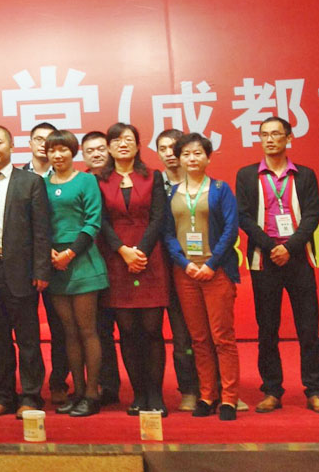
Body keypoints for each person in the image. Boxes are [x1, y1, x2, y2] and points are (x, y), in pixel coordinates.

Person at [235, 117, 319, 415]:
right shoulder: (247, 175)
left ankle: (314, 391)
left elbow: (312, 215)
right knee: (267, 329)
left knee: (308, 328)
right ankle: (272, 391)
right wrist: (270, 246)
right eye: (264, 134)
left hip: (298, 258)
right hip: (264, 259)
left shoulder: (305, 174)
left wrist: (289, 248)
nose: (269, 139)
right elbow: (244, 216)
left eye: (276, 134)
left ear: (289, 138)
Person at [0, 125, 51, 419]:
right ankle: (3, 396)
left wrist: (41, 269)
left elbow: (41, 230)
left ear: (11, 145)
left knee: (27, 339)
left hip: (20, 271)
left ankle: (30, 396)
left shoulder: (30, 182)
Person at [163, 133, 240, 421]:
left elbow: (231, 229)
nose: (192, 158)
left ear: (208, 157)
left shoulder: (220, 189)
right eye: (186, 154)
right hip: (186, 273)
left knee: (223, 337)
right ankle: (207, 395)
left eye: (197, 153)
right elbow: (168, 234)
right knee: (198, 338)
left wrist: (212, 263)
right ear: (179, 159)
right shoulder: (171, 193)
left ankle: (229, 398)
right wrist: (184, 263)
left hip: (216, 271)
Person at [97, 124, 169, 415]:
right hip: (117, 260)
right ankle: (138, 394)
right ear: (109, 147)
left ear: (138, 146)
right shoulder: (99, 180)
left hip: (150, 259)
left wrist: (140, 251)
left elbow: (159, 217)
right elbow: (101, 221)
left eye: (128, 139)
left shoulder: (153, 176)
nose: (122, 144)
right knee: (127, 331)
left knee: (152, 331)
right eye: (116, 140)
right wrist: (123, 251)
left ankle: (156, 395)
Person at [44, 130, 109, 418]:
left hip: (82, 260)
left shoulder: (86, 180)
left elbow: (93, 221)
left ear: (73, 152)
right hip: (54, 263)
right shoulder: (42, 183)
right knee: (68, 332)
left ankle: (93, 394)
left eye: (63, 149)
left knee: (87, 330)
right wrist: (49, 253)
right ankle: (78, 392)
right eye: (52, 150)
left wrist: (70, 253)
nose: (58, 155)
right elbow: (39, 222)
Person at [23, 122, 69, 405]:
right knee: (27, 330)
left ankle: (59, 380)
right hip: (24, 265)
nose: (43, 144)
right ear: (29, 143)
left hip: (59, 261)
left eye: (49, 140)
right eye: (38, 139)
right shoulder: (17, 177)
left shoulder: (64, 177)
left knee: (60, 327)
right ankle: (31, 386)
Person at [154, 129, 200, 411]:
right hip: (166, 266)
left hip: (201, 264)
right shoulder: (153, 185)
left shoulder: (201, 183)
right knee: (181, 333)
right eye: (163, 148)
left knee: (207, 331)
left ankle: (218, 386)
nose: (169, 153)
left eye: (174, 148)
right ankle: (189, 389)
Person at [80, 130, 120, 406]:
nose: (96, 154)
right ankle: (107, 385)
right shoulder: (81, 181)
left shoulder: (121, 180)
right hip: (90, 264)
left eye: (100, 149)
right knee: (98, 328)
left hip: (121, 260)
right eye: (90, 150)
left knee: (128, 329)